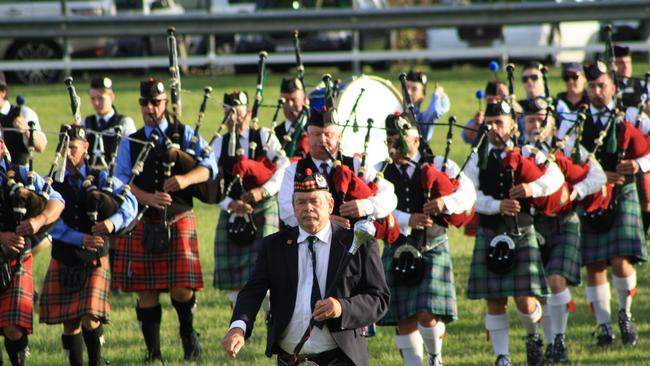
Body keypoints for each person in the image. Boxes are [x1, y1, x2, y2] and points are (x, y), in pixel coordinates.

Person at [222, 169, 390, 366]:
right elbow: (252, 292)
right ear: (293, 207)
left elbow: (379, 299)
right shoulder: (274, 246)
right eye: (301, 202)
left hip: (341, 359)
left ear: (330, 205)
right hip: (290, 359)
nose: (308, 208)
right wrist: (238, 327)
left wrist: (341, 307)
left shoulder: (358, 243)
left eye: (314, 201)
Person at [112, 78, 217, 363]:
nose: (150, 108)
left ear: (165, 104)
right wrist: (146, 198)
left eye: (156, 103)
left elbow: (210, 167)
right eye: (144, 103)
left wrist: (184, 178)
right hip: (144, 220)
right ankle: (154, 353)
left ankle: (188, 334)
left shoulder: (184, 134)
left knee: (181, 287)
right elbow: (120, 180)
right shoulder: (131, 140)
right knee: (146, 291)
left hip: (178, 217)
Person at [464, 101, 564, 366]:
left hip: (522, 231)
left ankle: (533, 337)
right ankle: (502, 357)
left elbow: (556, 178)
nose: (495, 128)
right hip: (490, 230)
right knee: (495, 299)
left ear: (512, 124)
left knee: (524, 299)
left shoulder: (528, 152)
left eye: (500, 122)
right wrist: (497, 206)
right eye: (491, 122)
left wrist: (532, 189)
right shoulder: (476, 156)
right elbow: (469, 194)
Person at [557, 62, 650, 347]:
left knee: (621, 259)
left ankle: (626, 315)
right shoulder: (574, 120)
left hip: (623, 192)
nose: (598, 92)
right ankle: (604, 328)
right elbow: (566, 160)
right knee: (594, 264)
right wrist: (595, 178)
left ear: (613, 86)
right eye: (592, 86)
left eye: (602, 86)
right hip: (591, 194)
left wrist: (637, 164)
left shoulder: (632, 115)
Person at [378, 114, 476, 366]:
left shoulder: (440, 164)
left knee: (426, 314)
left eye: (400, 138)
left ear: (416, 139)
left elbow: (468, 194)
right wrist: (406, 219)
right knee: (403, 319)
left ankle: (434, 358)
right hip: (398, 247)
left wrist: (445, 202)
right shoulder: (381, 169)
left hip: (432, 245)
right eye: (390, 139)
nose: (394, 144)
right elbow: (375, 207)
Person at [40, 125, 137, 366]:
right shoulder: (51, 182)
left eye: (73, 147)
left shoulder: (102, 176)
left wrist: (111, 224)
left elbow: (130, 204)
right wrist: (79, 238)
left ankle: (96, 361)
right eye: (65, 148)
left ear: (86, 147)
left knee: (90, 316)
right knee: (70, 321)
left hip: (94, 257)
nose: (69, 153)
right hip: (65, 255)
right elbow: (50, 222)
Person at [521, 98, 606, 363]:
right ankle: (541, 340)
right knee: (536, 291)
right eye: (531, 119)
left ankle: (559, 341)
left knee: (555, 281)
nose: (536, 124)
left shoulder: (568, 147)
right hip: (531, 224)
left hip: (564, 219)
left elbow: (598, 176)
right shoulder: (520, 150)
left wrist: (574, 192)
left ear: (554, 124)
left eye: (541, 119)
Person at [212, 90, 289, 308]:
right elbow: (209, 182)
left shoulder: (264, 136)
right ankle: (240, 325)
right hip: (233, 212)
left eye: (238, 112)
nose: (234, 118)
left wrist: (263, 191)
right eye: (229, 112)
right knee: (235, 286)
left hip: (264, 209)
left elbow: (283, 166)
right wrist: (229, 204)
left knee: (267, 274)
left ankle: (271, 320)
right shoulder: (219, 144)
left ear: (248, 112)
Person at [0, 125, 65, 366]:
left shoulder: (20, 172)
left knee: (13, 327)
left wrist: (38, 221)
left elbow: (58, 202)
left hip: (16, 260)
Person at [278, 101, 397, 230]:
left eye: (328, 134)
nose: (322, 140)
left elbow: (390, 196)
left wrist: (366, 206)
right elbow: (285, 210)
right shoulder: (293, 170)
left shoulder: (356, 165)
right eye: (317, 134)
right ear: (308, 137)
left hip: (356, 243)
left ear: (339, 137)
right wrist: (323, 221)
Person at [83, 76, 136, 166]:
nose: (96, 103)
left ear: (112, 97)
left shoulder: (125, 123)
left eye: (101, 98)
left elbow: (131, 153)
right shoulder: (85, 123)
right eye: (93, 98)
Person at [0, 71, 47, 166]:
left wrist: (27, 130)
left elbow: (41, 147)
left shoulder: (24, 113)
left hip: (18, 175)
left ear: (3, 92)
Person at [404, 71, 450, 142]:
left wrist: (437, 95)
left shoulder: (421, 118)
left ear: (422, 97)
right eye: (407, 87)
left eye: (414, 89)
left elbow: (435, 112)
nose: (408, 92)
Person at [275, 77, 309, 159]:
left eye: (294, 100)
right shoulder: (276, 133)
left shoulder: (314, 129)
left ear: (304, 100)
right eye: (286, 100)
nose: (289, 104)